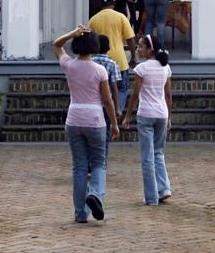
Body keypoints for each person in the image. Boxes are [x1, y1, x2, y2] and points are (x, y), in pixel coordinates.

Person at [53, 25, 120, 223]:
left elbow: (56, 45)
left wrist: (73, 33)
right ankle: (96, 194)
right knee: (99, 163)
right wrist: (114, 123)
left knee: (79, 167)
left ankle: (80, 213)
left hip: (73, 118)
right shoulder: (100, 70)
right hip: (95, 120)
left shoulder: (69, 65)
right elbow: (107, 101)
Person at [122, 34, 173, 206]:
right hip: (162, 114)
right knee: (158, 153)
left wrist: (128, 114)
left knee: (147, 157)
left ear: (149, 49)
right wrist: (170, 116)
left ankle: (151, 197)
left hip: (145, 114)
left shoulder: (142, 69)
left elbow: (135, 94)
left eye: (140, 47)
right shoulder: (165, 67)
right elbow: (168, 95)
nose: (138, 49)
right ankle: (164, 188)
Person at [88, 0, 136, 112]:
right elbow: (130, 39)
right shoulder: (121, 17)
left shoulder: (93, 19)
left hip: (99, 61)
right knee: (122, 88)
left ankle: (104, 112)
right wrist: (134, 56)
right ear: (113, 3)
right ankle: (117, 111)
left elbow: (89, 40)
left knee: (100, 88)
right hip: (120, 61)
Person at [92, 35, 121, 158]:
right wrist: (117, 107)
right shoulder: (112, 64)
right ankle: (102, 161)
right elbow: (114, 88)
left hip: (92, 103)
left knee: (91, 135)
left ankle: (90, 164)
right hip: (106, 104)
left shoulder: (90, 62)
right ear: (108, 47)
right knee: (105, 134)